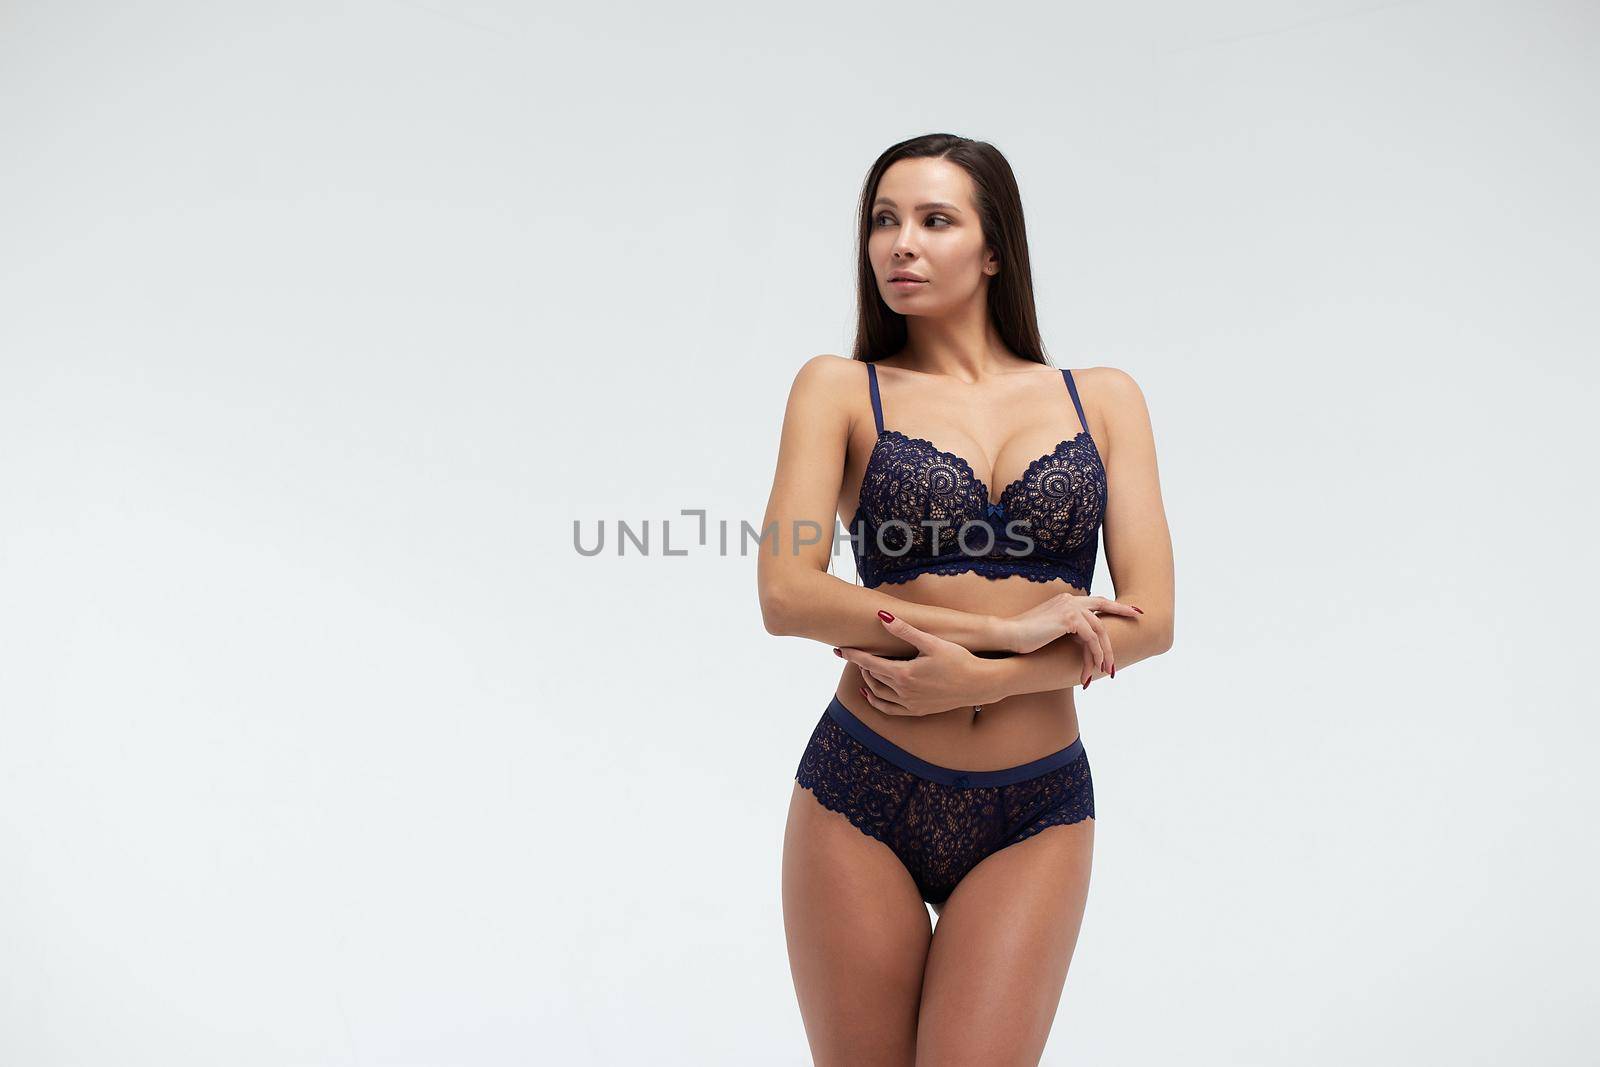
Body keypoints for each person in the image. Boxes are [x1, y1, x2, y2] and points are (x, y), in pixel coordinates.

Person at [756, 133, 1175, 1066]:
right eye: (883, 220)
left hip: (1036, 810)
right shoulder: (838, 389)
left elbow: (1153, 620)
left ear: (993, 251)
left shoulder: (1102, 400)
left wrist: (985, 678)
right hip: (861, 790)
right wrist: (995, 628)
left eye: (934, 220)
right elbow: (787, 592)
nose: (900, 243)